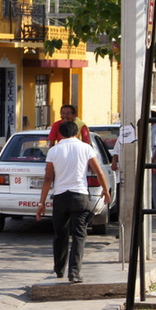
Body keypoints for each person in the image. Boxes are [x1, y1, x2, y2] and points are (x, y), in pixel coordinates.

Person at [36, 121, 111, 284]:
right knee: (79, 235)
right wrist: (105, 190)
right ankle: (75, 273)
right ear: (77, 133)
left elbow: (48, 178)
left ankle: (59, 270)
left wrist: (41, 204)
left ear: (60, 134)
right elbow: (99, 172)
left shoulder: (53, 151)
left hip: (60, 197)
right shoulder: (86, 148)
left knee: (60, 235)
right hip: (80, 197)